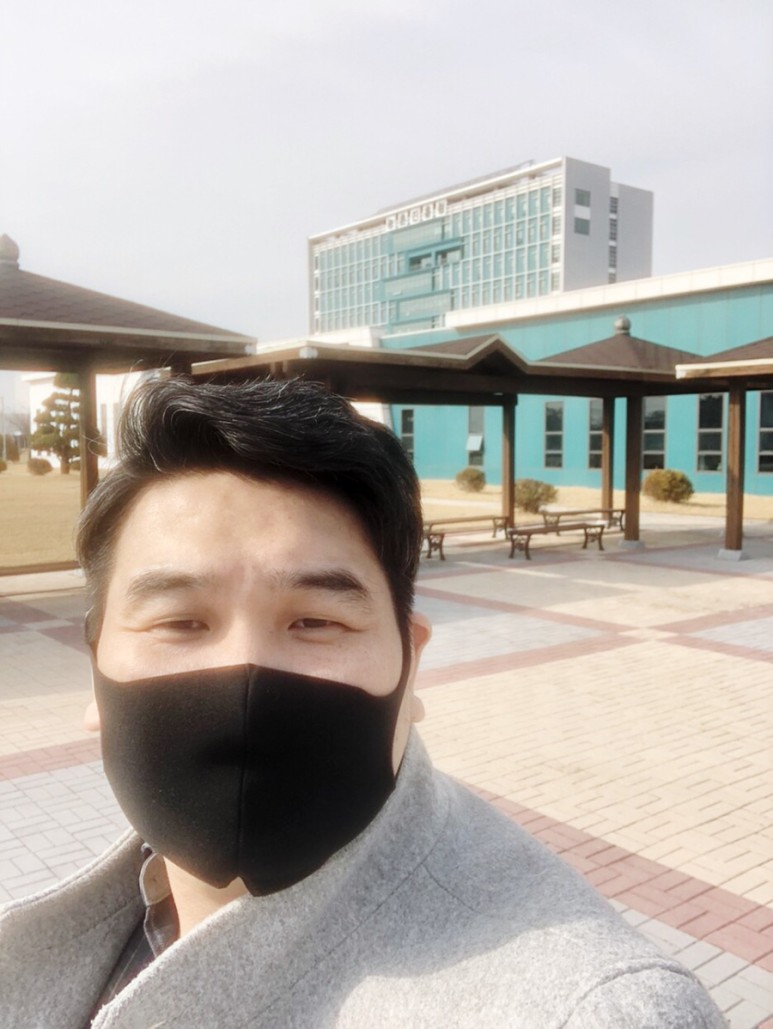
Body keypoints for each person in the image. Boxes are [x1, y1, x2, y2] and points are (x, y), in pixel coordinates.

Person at [0, 377, 723, 1028]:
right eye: (180, 621)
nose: (243, 672)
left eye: (317, 620)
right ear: (94, 668)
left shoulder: (598, 1008)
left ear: (410, 667)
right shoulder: (41, 948)